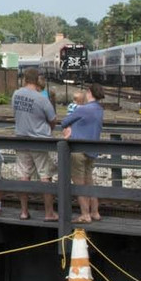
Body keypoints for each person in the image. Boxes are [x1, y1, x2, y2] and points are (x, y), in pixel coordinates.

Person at [12, 67, 57, 220]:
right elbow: (53, 120)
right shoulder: (42, 99)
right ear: (37, 79)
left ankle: (24, 211)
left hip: (21, 139)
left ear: (24, 79)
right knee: (45, 175)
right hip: (40, 141)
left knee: (24, 176)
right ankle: (49, 213)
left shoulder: (16, 95)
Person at [60, 83, 105, 223]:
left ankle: (85, 214)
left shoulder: (83, 109)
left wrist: (71, 128)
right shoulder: (100, 109)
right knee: (89, 182)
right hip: (92, 150)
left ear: (89, 92)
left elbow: (64, 122)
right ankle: (95, 212)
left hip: (78, 150)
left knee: (79, 184)